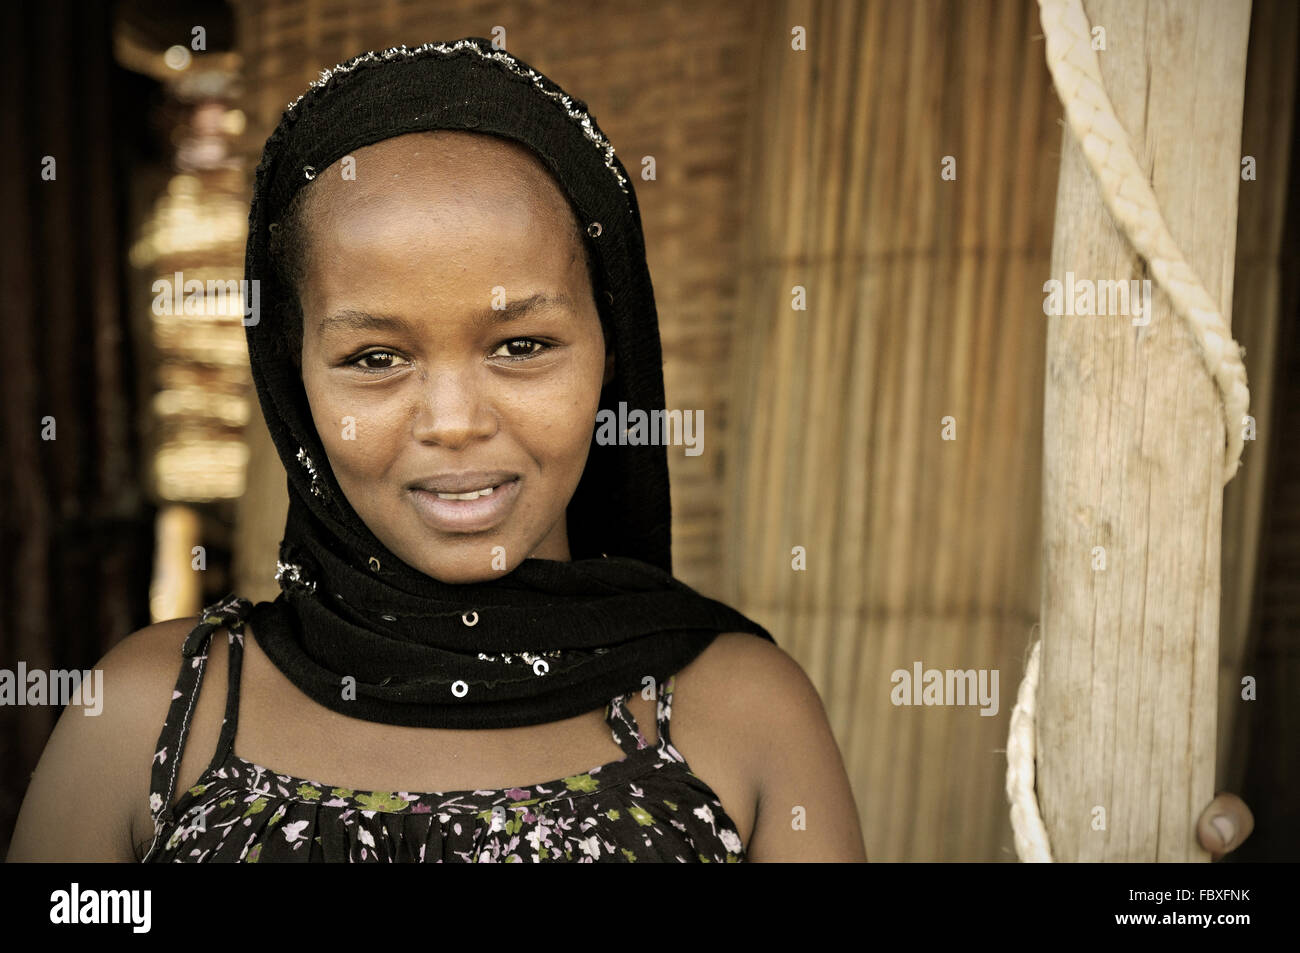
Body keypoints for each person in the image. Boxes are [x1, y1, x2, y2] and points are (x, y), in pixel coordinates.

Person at [5, 39, 1252, 864]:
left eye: (521, 345)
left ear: (615, 346)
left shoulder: (736, 712)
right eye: (376, 358)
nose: (452, 420)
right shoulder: (152, 714)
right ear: (289, 377)